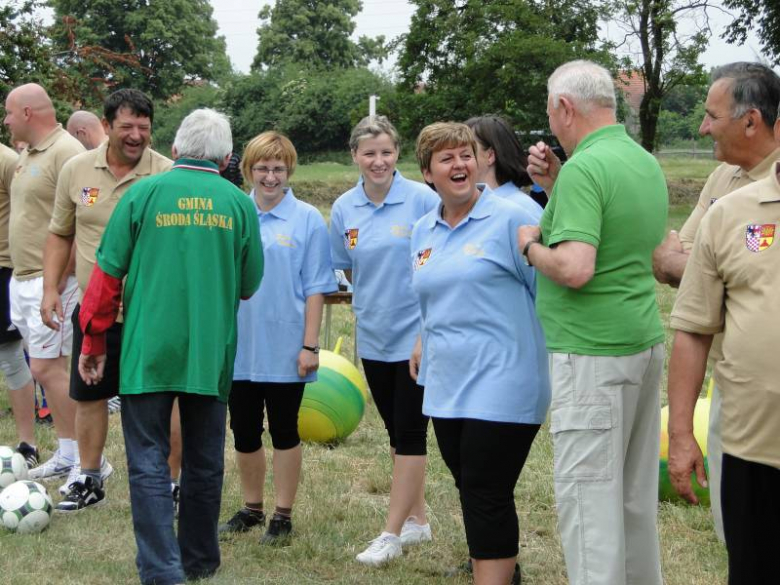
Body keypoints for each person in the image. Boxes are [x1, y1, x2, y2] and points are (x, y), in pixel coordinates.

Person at [77, 108, 263, 585]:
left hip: (147, 351)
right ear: (225, 159)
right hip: (209, 352)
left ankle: (161, 570)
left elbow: (106, 275)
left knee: (147, 460)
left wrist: (94, 338)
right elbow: (249, 283)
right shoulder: (240, 204)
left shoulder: (142, 194)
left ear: (175, 151)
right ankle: (199, 560)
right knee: (203, 461)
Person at [519, 60, 668, 585]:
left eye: (550, 113)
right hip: (641, 343)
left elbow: (576, 266)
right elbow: (629, 242)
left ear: (565, 107)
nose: (552, 126)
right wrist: (557, 180)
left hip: (592, 355)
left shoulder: (586, 168)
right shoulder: (640, 160)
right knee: (632, 499)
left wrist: (531, 246)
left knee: (589, 505)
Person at [410, 122, 550, 585]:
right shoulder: (422, 231)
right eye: (447, 158)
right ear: (428, 173)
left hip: (506, 379)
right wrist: (421, 340)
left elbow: (545, 296)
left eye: (466, 155)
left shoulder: (513, 217)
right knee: (471, 488)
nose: (460, 165)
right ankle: (506, 573)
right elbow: (432, 298)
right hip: (447, 383)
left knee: (485, 490)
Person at [652, 62, 780, 541]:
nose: (703, 127)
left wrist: (712, 273)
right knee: (744, 545)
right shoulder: (723, 186)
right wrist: (714, 274)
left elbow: (688, 265)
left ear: (750, 121)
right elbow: (668, 262)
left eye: (711, 116)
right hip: (742, 404)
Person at [42, 89, 172, 511]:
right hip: (96, 310)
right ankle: (89, 478)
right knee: (89, 395)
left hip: (151, 312)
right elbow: (61, 232)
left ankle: (170, 483)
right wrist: (50, 289)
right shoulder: (77, 170)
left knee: (161, 399)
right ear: (107, 124)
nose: (136, 136)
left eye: (144, 128)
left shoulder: (166, 175)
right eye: (127, 126)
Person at [329, 115, 439, 566]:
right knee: (396, 433)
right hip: (372, 336)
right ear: (354, 155)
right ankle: (418, 521)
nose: (379, 161)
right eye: (369, 153)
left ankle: (391, 534)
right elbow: (350, 270)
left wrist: (423, 330)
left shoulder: (422, 200)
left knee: (411, 434)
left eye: (387, 152)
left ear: (399, 154)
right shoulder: (343, 208)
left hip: (418, 337)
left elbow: (439, 264)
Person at [218, 131, 336, 543]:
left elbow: (316, 288)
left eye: (278, 169)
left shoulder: (306, 219)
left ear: (289, 172)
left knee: (285, 430)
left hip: (287, 348)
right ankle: (252, 507)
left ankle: (282, 515)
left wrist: (310, 346)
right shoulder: (233, 212)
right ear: (248, 170)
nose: (270, 177)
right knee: (244, 431)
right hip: (238, 346)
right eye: (262, 168)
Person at [4, 83, 84, 482]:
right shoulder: (27, 154)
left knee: (47, 366)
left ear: (28, 113)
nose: (5, 120)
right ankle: (67, 452)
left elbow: (84, 215)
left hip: (50, 281)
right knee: (45, 368)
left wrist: (62, 276)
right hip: (23, 278)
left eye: (9, 113)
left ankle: (85, 458)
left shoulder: (67, 151)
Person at [0, 141, 38, 467]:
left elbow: (30, 210)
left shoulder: (8, 161)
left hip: (3, 267)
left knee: (10, 355)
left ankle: (28, 442)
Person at [464, 115, 543, 221]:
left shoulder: (522, 208)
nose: (458, 162)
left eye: (466, 152)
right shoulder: (466, 208)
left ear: (490, 156)